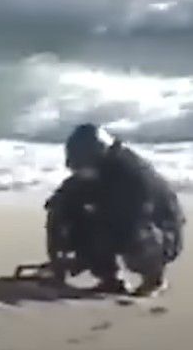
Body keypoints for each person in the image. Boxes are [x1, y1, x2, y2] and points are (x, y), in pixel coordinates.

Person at [44, 123, 184, 296]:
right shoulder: (91, 172)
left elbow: (132, 218)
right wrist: (59, 252)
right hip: (118, 221)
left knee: (139, 234)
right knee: (70, 214)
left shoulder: (133, 174)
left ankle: (154, 280)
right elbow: (60, 202)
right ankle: (110, 280)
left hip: (161, 230)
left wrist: (85, 257)